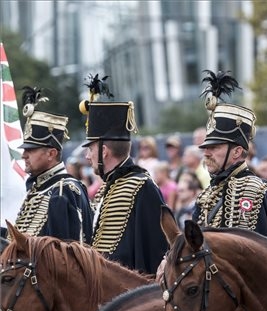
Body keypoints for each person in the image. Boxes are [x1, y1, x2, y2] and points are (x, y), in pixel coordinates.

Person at [81, 75, 168, 274]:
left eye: (91, 149)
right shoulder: (108, 188)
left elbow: (153, 253)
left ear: (104, 151)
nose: (87, 156)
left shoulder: (141, 186)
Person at [192, 70, 267, 240]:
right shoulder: (205, 197)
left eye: (214, 147)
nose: (206, 152)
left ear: (236, 151)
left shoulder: (264, 192)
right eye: (206, 147)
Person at [13, 86, 94, 243]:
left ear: (51, 153)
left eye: (31, 150)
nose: (23, 155)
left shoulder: (65, 190)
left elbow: (65, 257)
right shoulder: (39, 188)